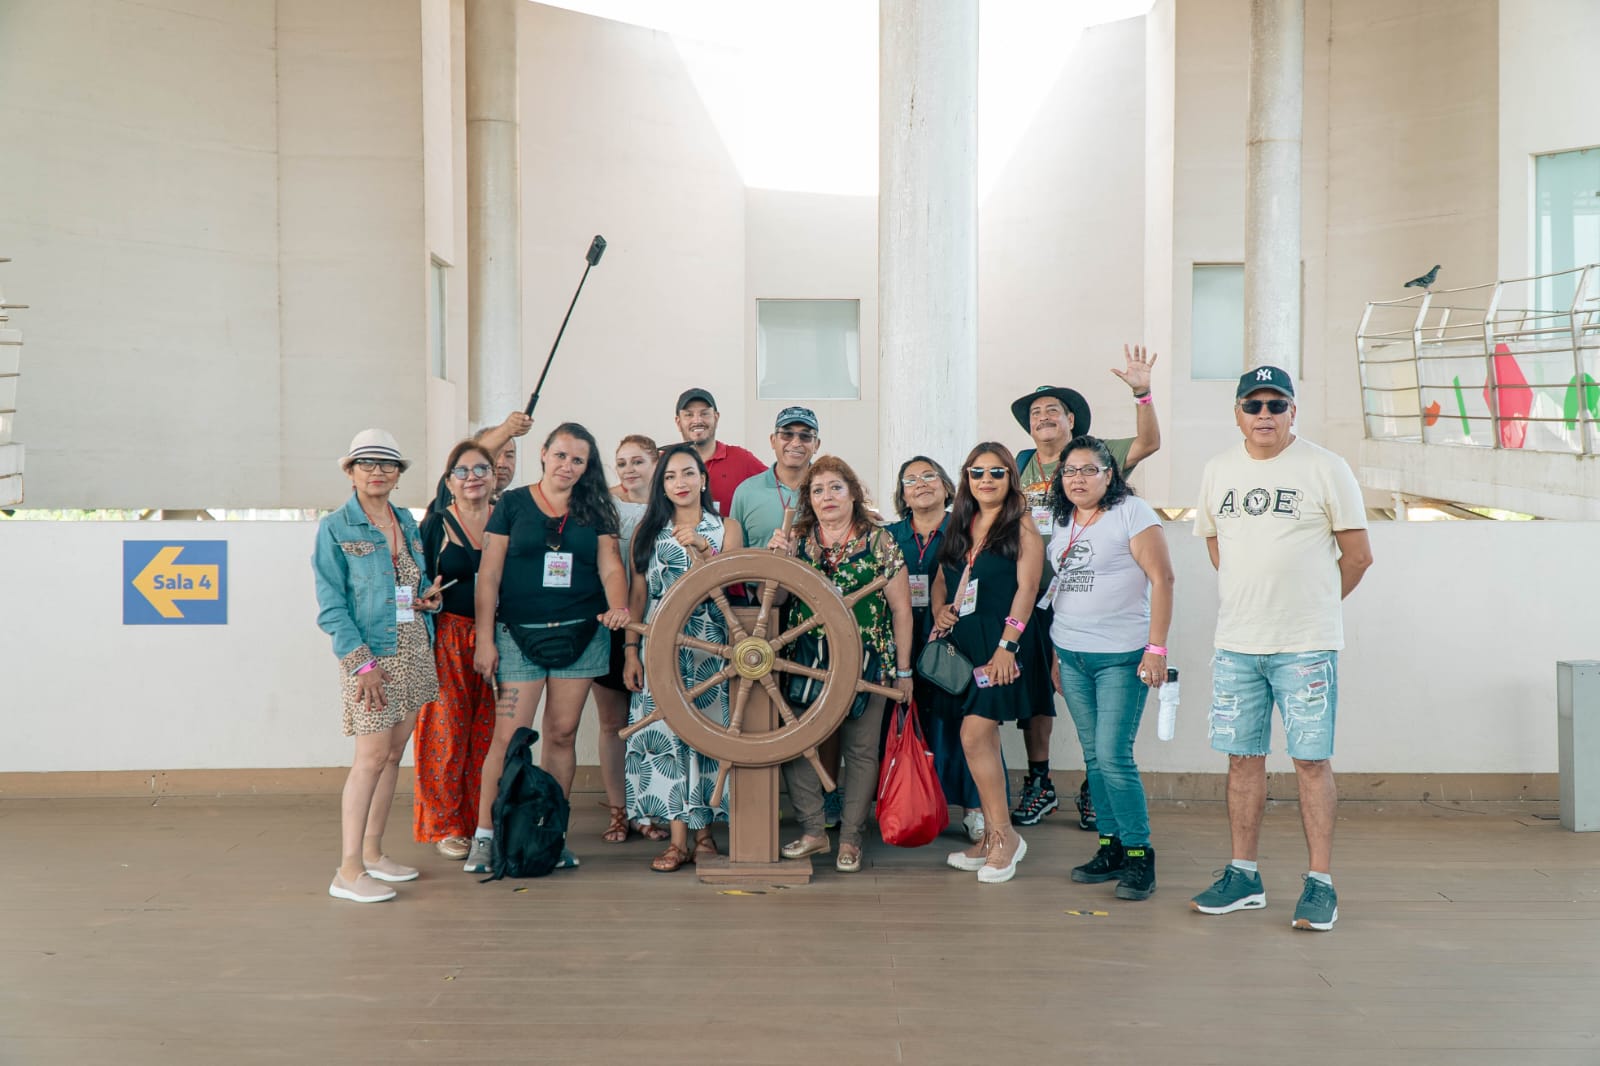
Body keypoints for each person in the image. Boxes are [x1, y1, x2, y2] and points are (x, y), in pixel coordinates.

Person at [1190, 366, 1372, 932]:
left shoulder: (1326, 467)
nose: (1264, 414)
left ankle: (1320, 884)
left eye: (1276, 404)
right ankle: (1244, 876)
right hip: (1237, 645)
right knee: (1242, 759)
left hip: (1307, 646)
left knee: (1310, 762)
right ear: (1237, 412)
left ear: (1294, 411)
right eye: (1253, 404)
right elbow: (1216, 543)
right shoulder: (1219, 469)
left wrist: (1312, 606)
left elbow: (1358, 556)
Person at [465, 422, 634, 874]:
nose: (568, 466)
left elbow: (611, 566)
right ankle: (485, 836)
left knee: (561, 734)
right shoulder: (513, 505)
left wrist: (618, 604)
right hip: (517, 637)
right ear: (542, 453)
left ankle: (550, 835)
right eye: (560, 456)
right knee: (508, 738)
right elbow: (490, 576)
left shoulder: (596, 508)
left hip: (581, 635)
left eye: (578, 460)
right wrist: (485, 639)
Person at [1008, 345, 1162, 832]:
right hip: (1035, 598)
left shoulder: (1094, 457)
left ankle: (1100, 790)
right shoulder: (1022, 463)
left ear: (1072, 420)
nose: (1044, 418)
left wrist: (1142, 393)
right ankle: (1040, 782)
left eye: (1053, 410)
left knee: (1101, 709)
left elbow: (1149, 443)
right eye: (1035, 413)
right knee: (1037, 694)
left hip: (1095, 600)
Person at [312, 429, 443, 903]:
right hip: (372, 656)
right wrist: (361, 664)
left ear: (399, 475)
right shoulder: (335, 527)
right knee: (369, 758)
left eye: (388, 465)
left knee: (391, 755)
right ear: (350, 471)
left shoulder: (405, 520)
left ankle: (372, 853)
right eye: (366, 463)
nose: (378, 471)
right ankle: (347, 870)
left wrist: (426, 595)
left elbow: (409, 578)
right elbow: (331, 605)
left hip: (413, 646)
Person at [1043, 435, 1175, 902]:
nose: (1077, 479)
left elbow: (1163, 578)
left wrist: (1156, 648)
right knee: (1094, 757)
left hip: (1122, 654)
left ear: (1110, 474)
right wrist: (1056, 657)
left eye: (1088, 470)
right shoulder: (1061, 518)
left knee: (1114, 755)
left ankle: (1140, 855)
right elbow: (1060, 588)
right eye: (1069, 471)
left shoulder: (1132, 513)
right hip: (1071, 653)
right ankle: (1110, 846)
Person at [772, 456, 913, 873]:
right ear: (809, 501)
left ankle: (851, 838)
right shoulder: (795, 540)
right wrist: (776, 561)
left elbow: (902, 611)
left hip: (869, 660)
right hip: (808, 660)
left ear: (853, 493)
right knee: (797, 744)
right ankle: (815, 831)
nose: (827, 496)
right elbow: (776, 601)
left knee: (862, 751)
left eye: (836, 487)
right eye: (818, 490)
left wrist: (903, 672)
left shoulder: (880, 541)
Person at [621, 444, 745, 870]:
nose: (680, 483)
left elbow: (733, 581)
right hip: (660, 641)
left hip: (711, 640)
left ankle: (706, 835)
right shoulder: (647, 532)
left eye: (688, 474)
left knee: (708, 736)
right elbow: (639, 593)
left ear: (703, 479)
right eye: (671, 476)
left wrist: (704, 551)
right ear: (662, 485)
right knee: (669, 735)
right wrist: (630, 652)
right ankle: (676, 840)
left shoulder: (726, 527)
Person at [929, 443, 1045, 884]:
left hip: (1004, 646)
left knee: (974, 734)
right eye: (977, 473)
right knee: (981, 741)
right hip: (967, 646)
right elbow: (941, 577)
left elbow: (1028, 587)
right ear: (966, 479)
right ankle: (993, 836)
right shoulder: (961, 522)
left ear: (1010, 478)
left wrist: (1007, 647)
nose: (986, 480)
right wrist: (941, 608)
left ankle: (1005, 838)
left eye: (996, 472)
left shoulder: (1022, 525)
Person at [884, 455, 989, 843]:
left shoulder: (967, 531)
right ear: (902, 495)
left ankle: (976, 809)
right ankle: (914, 805)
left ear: (947, 487)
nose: (921, 483)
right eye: (910, 479)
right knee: (910, 725)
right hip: (902, 643)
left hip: (955, 640)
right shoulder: (888, 536)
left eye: (929, 475)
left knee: (963, 726)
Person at [413, 440, 499, 861]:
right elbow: (413, 580)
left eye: (481, 469)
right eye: (462, 471)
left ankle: (481, 820)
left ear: (494, 475)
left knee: (490, 733)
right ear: (449, 481)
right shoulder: (434, 524)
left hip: (501, 638)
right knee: (445, 732)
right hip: (449, 637)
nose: (472, 478)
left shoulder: (509, 520)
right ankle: (446, 823)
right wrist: (423, 597)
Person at [593, 434, 663, 843]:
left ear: (655, 463)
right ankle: (619, 810)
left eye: (638, 461)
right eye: (622, 463)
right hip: (613, 621)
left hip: (658, 622)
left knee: (651, 720)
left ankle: (650, 810)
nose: (630, 470)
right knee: (612, 722)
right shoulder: (603, 506)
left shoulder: (669, 504)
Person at [729, 406, 819, 552]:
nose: (796, 443)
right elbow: (736, 557)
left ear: (816, 445)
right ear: (773, 441)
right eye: (787, 434)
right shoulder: (746, 492)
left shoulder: (829, 493)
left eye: (805, 436)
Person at [675, 387, 767, 517]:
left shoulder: (741, 459)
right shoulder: (665, 463)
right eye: (689, 415)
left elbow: (777, 483)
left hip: (731, 536)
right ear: (678, 422)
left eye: (704, 413)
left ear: (716, 418)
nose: (697, 420)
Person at [474, 411, 534, 499]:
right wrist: (507, 429)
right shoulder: (454, 499)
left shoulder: (514, 506)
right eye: (495, 454)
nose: (502, 464)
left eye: (509, 456)